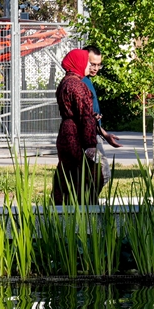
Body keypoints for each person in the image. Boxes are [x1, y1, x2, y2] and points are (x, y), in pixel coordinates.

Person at [53, 48, 102, 205]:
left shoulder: (65, 82)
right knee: (86, 175)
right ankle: (84, 212)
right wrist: (90, 144)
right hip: (76, 134)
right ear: (79, 62)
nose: (90, 66)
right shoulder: (77, 85)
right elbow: (84, 117)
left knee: (66, 172)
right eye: (87, 62)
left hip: (66, 131)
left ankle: (60, 207)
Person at [83, 45, 121, 185]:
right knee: (102, 174)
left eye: (99, 65)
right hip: (88, 136)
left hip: (94, 132)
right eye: (92, 64)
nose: (96, 68)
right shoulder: (81, 82)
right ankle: (87, 203)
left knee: (96, 175)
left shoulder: (88, 80)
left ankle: (86, 202)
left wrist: (105, 134)